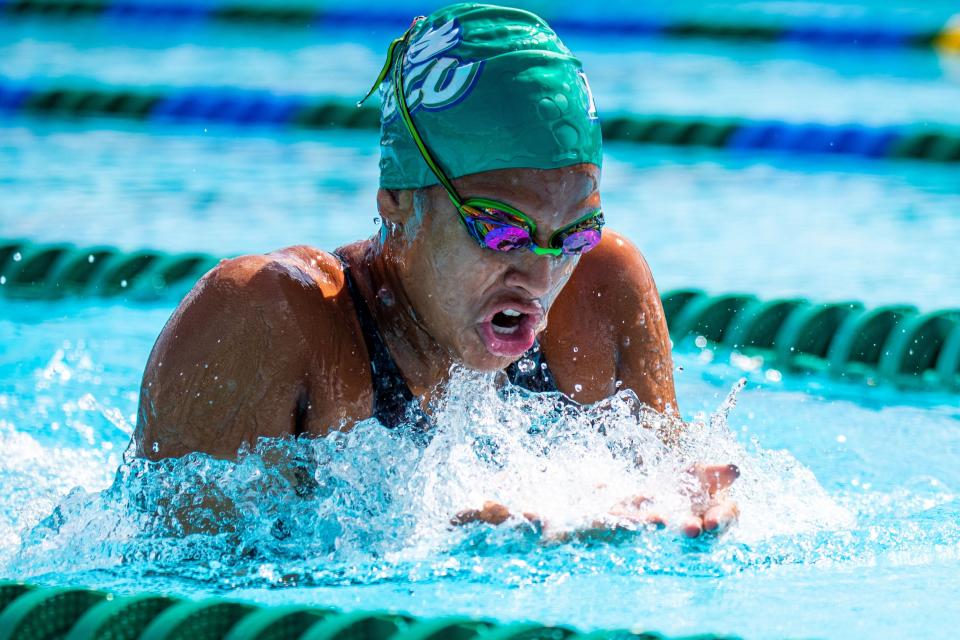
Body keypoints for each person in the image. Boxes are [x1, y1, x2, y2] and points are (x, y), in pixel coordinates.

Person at [134, 3, 739, 537]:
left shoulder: (599, 286)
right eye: (499, 228)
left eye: (574, 233)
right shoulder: (265, 319)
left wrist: (690, 507)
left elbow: (658, 494)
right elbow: (179, 588)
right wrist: (445, 547)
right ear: (398, 200)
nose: (541, 270)